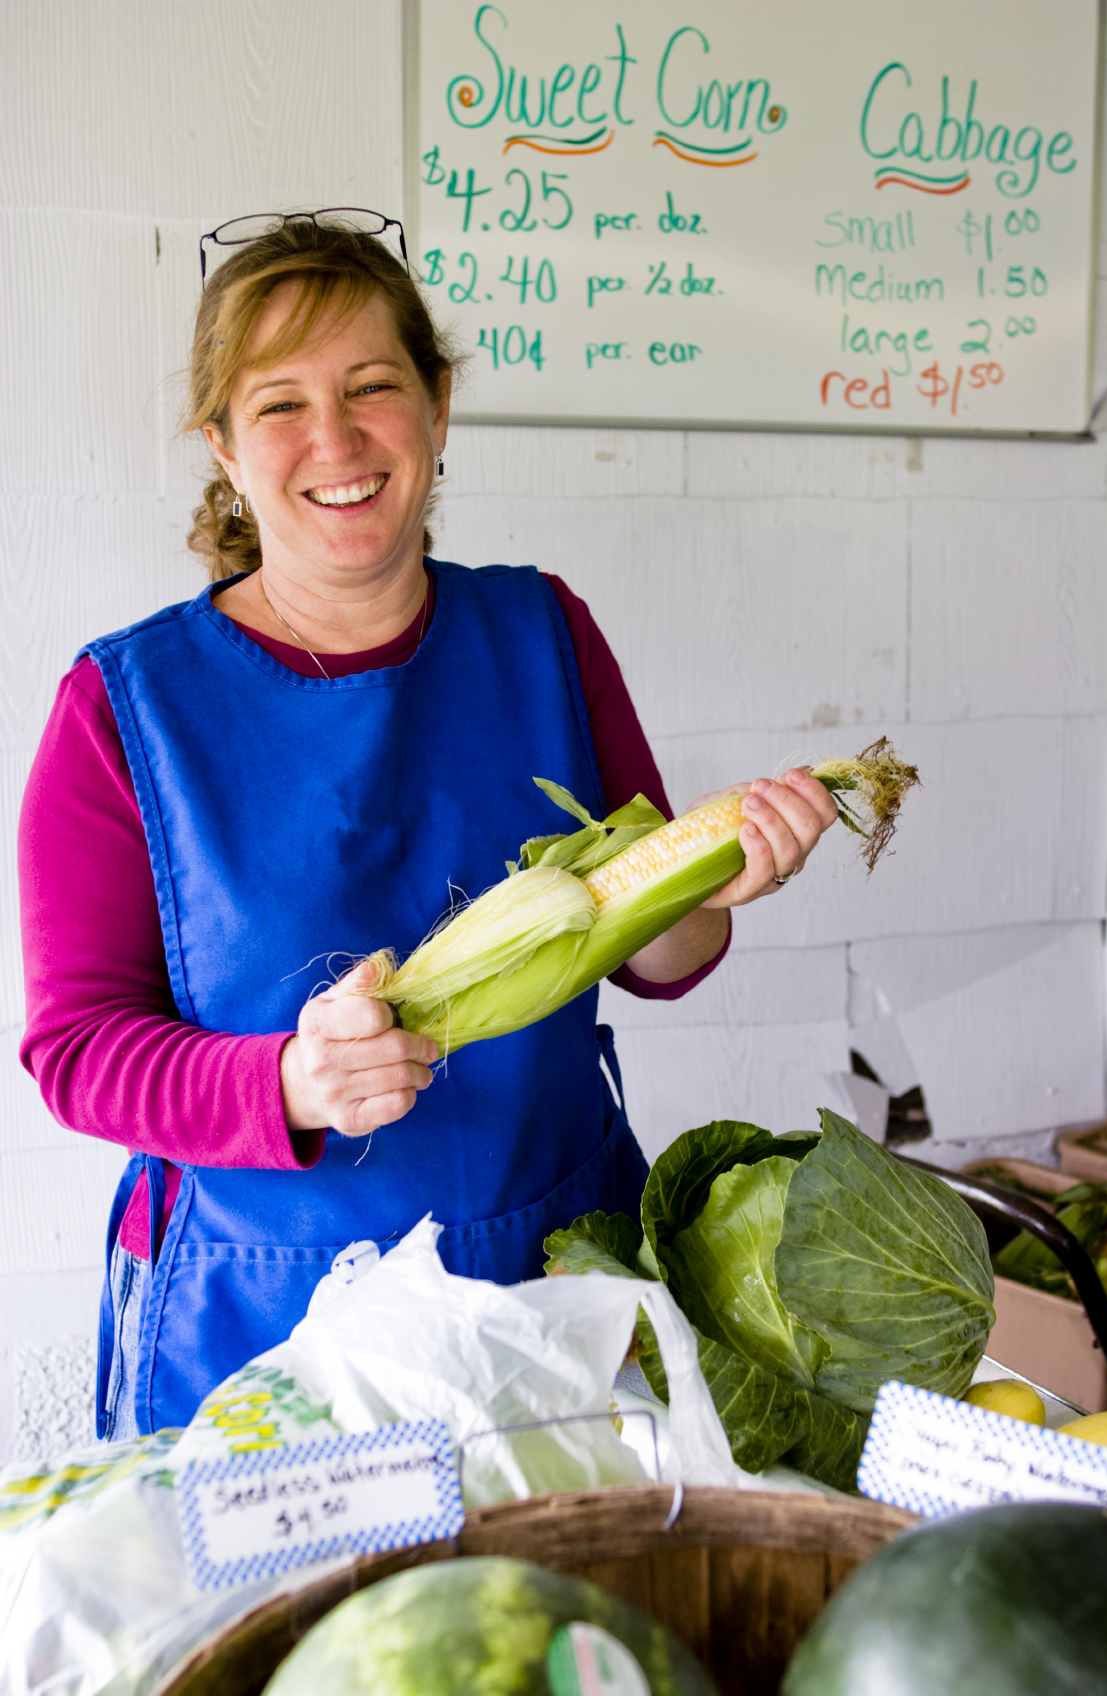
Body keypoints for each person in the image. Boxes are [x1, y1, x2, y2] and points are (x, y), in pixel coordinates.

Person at [18, 212, 839, 1440]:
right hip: (268, 1325)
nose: (336, 440)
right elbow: (76, 1049)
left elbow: (648, 949)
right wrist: (287, 1079)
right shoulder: (123, 708)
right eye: (280, 403)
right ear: (224, 448)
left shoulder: (544, 633)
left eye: (372, 387)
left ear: (437, 406)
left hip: (555, 1278)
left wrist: (715, 889)